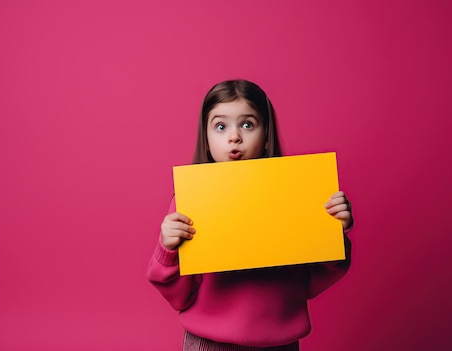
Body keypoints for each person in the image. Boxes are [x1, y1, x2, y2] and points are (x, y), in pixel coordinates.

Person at [147, 79, 353, 351]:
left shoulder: (294, 195)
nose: (234, 137)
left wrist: (332, 231)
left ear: (266, 134)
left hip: (280, 343)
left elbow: (311, 281)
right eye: (220, 126)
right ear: (206, 139)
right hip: (210, 344)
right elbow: (179, 297)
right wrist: (168, 249)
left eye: (247, 124)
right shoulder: (190, 202)